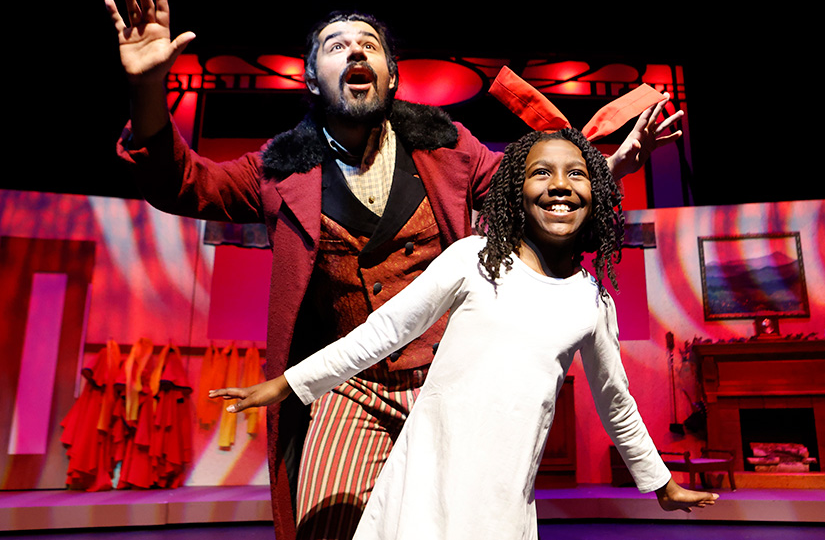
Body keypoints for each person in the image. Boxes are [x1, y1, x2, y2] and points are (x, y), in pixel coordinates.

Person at [105, 0, 684, 540]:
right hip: (350, 386)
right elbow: (186, 183)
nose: (355, 49)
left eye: (370, 45)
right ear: (311, 78)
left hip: (449, 382)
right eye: (336, 46)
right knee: (326, 528)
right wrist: (148, 93)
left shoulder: (449, 149)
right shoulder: (278, 170)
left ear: (392, 75)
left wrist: (611, 169)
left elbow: (529, 190)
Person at [211, 127, 717, 539]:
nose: (560, 185)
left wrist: (661, 483)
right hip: (428, 480)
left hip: (502, 498)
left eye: (577, 174)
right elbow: (383, 331)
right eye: (541, 173)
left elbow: (616, 401)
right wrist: (291, 383)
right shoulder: (472, 261)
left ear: (596, 194)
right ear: (515, 194)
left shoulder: (590, 300)